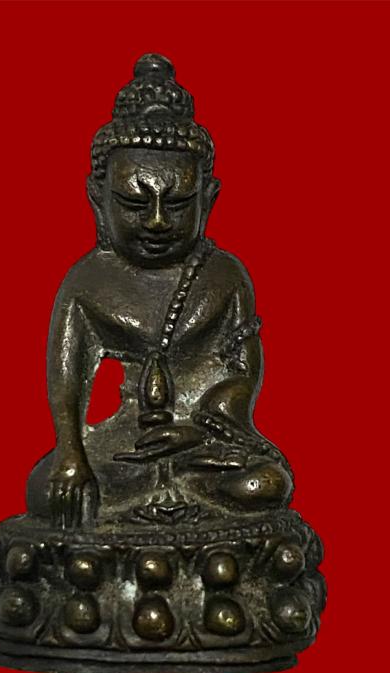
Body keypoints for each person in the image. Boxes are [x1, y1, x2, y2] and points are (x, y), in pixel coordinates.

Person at [26, 54, 293, 529]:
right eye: (133, 202)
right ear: (97, 198)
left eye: (178, 203)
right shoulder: (87, 282)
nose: (155, 221)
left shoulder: (224, 276)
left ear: (208, 199)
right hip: (121, 448)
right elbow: (67, 380)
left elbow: (242, 372)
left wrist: (196, 430)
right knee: (48, 488)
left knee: (265, 484)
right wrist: (71, 452)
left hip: (199, 444)